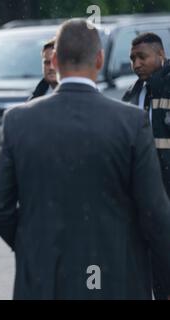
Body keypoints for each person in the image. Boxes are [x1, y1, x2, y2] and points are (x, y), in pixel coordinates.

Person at [0, 19, 170, 299]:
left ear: (55, 60)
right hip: (117, 277)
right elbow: (155, 213)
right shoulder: (132, 121)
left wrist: (31, 244)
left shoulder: (17, 120)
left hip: (44, 277)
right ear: (99, 59)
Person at [122, 32, 170, 300]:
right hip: (144, 203)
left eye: (143, 57)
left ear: (161, 56)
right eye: (132, 59)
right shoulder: (132, 94)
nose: (136, 64)